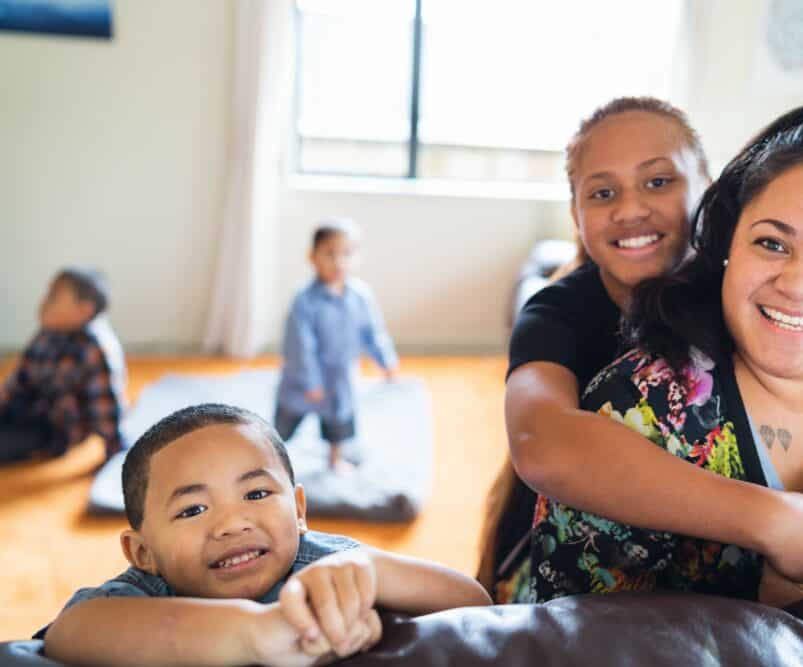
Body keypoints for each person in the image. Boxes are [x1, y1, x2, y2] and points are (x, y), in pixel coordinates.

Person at [486, 98, 803, 601]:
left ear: (706, 190)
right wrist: (779, 529)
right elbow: (543, 444)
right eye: (603, 191)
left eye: (658, 181)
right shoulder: (579, 333)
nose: (801, 284)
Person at [39, 403, 490, 666]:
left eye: (255, 493)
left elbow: (477, 606)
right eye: (193, 509)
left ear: (298, 510)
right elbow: (68, 633)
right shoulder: (142, 593)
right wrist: (257, 633)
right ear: (143, 552)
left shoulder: (323, 563)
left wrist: (372, 570)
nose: (233, 523)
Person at [275, 220, 399, 469]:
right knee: (285, 422)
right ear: (313, 257)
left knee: (338, 421)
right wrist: (311, 382)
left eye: (347, 254)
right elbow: (299, 346)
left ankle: (335, 459)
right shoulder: (305, 300)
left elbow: (373, 333)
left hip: (340, 376)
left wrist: (386, 361)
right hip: (305, 378)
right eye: (330, 254)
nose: (339, 262)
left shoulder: (361, 296)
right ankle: (272, 457)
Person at [0, 267, 126, 464]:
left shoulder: (96, 349)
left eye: (53, 296)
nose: (43, 302)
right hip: (28, 406)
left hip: (54, 428)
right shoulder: (48, 333)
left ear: (84, 310)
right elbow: (21, 377)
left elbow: (106, 408)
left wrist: (114, 449)